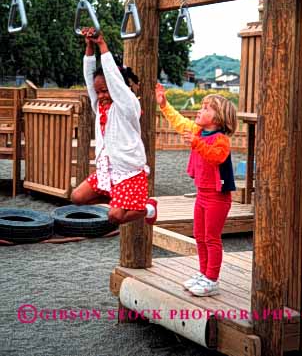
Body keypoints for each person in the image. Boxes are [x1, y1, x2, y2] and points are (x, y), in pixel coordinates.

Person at [155, 83, 237, 296]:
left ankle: (212, 279)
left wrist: (196, 143)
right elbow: (179, 121)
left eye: (206, 108)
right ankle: (203, 274)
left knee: (212, 238)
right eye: (201, 106)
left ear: (218, 118)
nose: (200, 110)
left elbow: (216, 156)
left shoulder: (221, 140)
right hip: (201, 195)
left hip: (217, 198)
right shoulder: (198, 131)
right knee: (199, 236)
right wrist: (164, 105)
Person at [71, 27, 157, 226]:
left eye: (105, 91)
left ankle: (149, 208)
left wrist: (102, 45)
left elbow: (115, 81)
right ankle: (118, 199)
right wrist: (89, 48)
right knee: (77, 197)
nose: (100, 96)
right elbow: (88, 76)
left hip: (128, 170)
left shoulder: (127, 106)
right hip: (107, 169)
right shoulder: (99, 106)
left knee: (115, 217)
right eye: (98, 92)